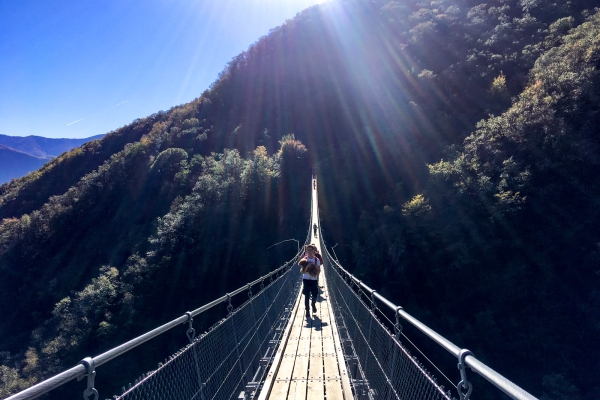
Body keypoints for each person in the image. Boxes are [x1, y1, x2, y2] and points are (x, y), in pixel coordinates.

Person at [299, 244, 321, 317]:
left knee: (315, 294)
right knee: (307, 295)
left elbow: (319, 270)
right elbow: (302, 272)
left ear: (313, 251)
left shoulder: (316, 260)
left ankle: (313, 304)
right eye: (307, 250)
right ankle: (307, 310)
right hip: (306, 279)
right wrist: (306, 267)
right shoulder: (304, 259)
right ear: (306, 251)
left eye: (310, 250)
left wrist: (314, 274)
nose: (309, 251)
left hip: (314, 279)